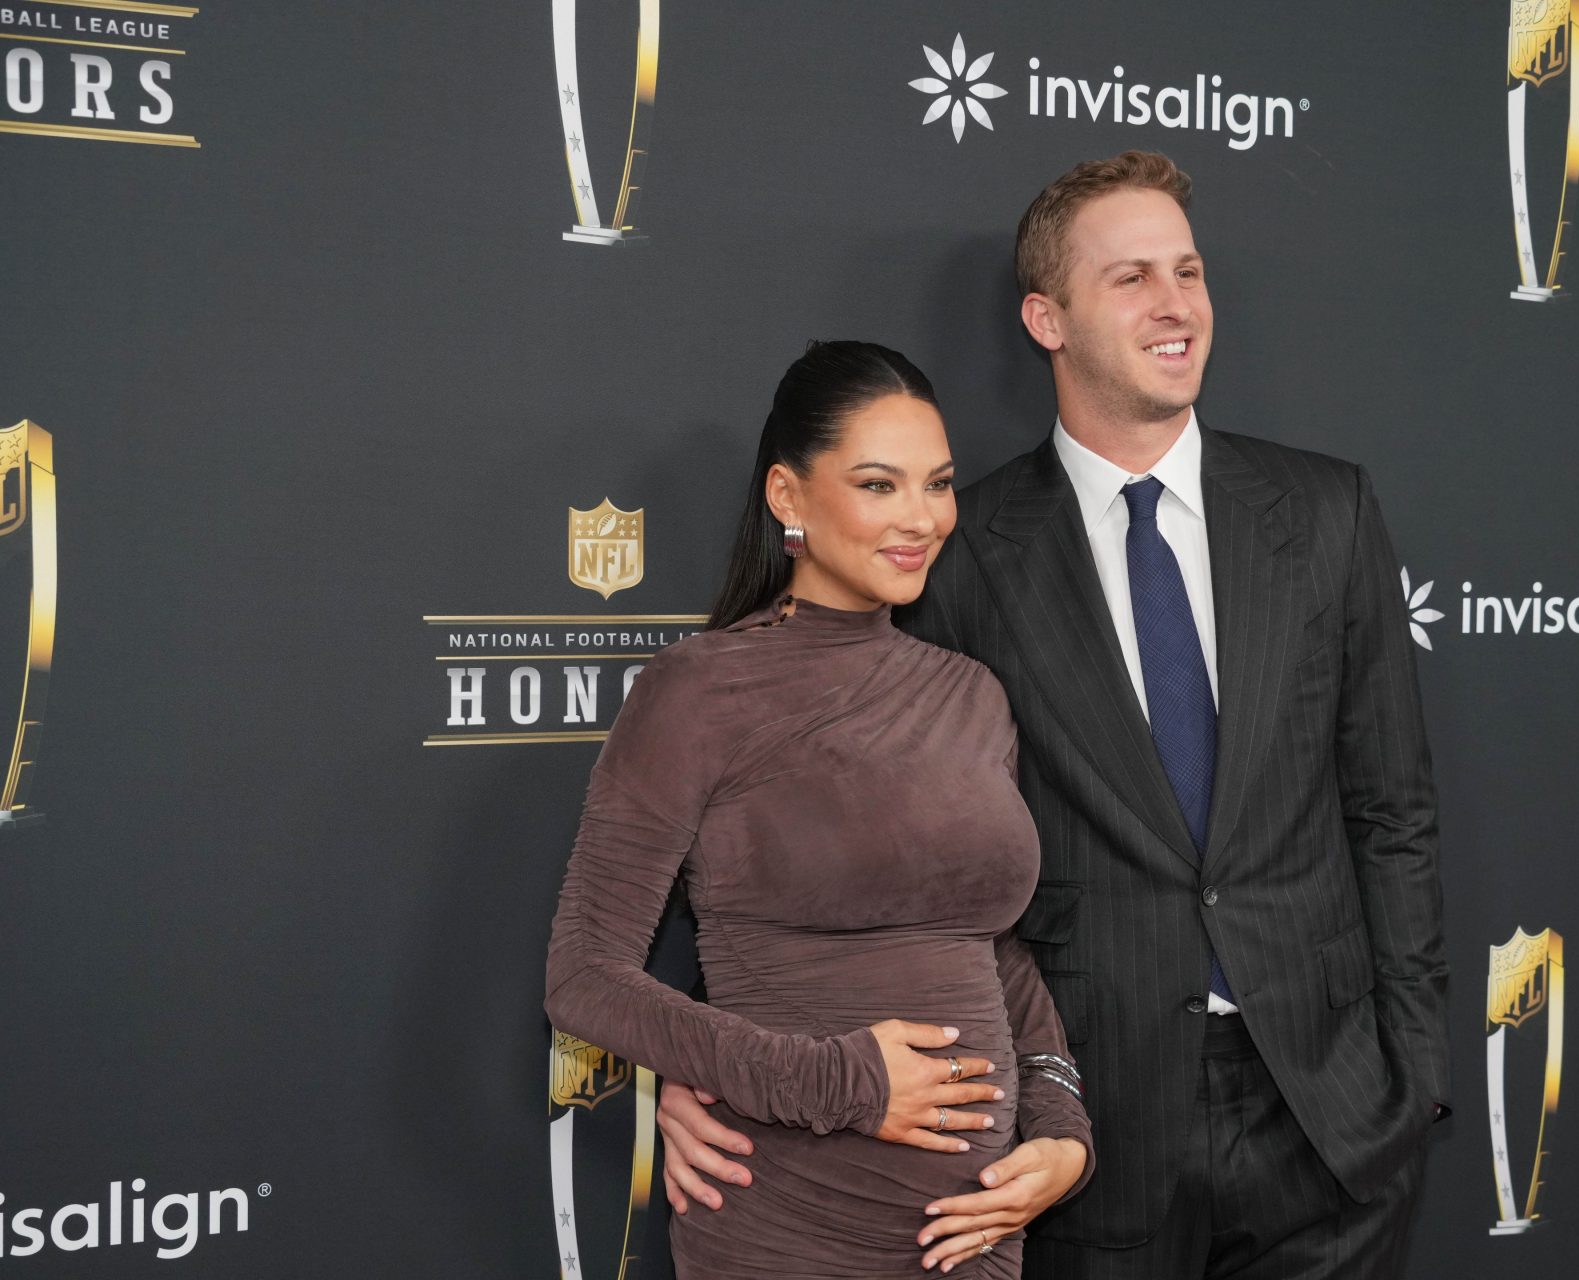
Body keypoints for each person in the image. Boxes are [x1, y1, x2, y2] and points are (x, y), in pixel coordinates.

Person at [657, 154, 1448, 1278]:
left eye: (1188, 269)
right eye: (1131, 277)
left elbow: (1393, 811)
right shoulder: (953, 550)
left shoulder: (1327, 513)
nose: (1176, 303)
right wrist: (703, 1057)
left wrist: (1412, 1075)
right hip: (1079, 1129)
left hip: (1327, 1118)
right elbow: (825, 840)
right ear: (1047, 318)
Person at [544, 340, 1093, 1279]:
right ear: (789, 499)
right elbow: (584, 979)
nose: (921, 518)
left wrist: (1062, 1131)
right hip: (788, 1222)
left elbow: (991, 947)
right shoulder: (696, 691)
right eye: (879, 485)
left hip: (978, 1234)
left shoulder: (972, 696)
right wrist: (842, 1084)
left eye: (939, 484)